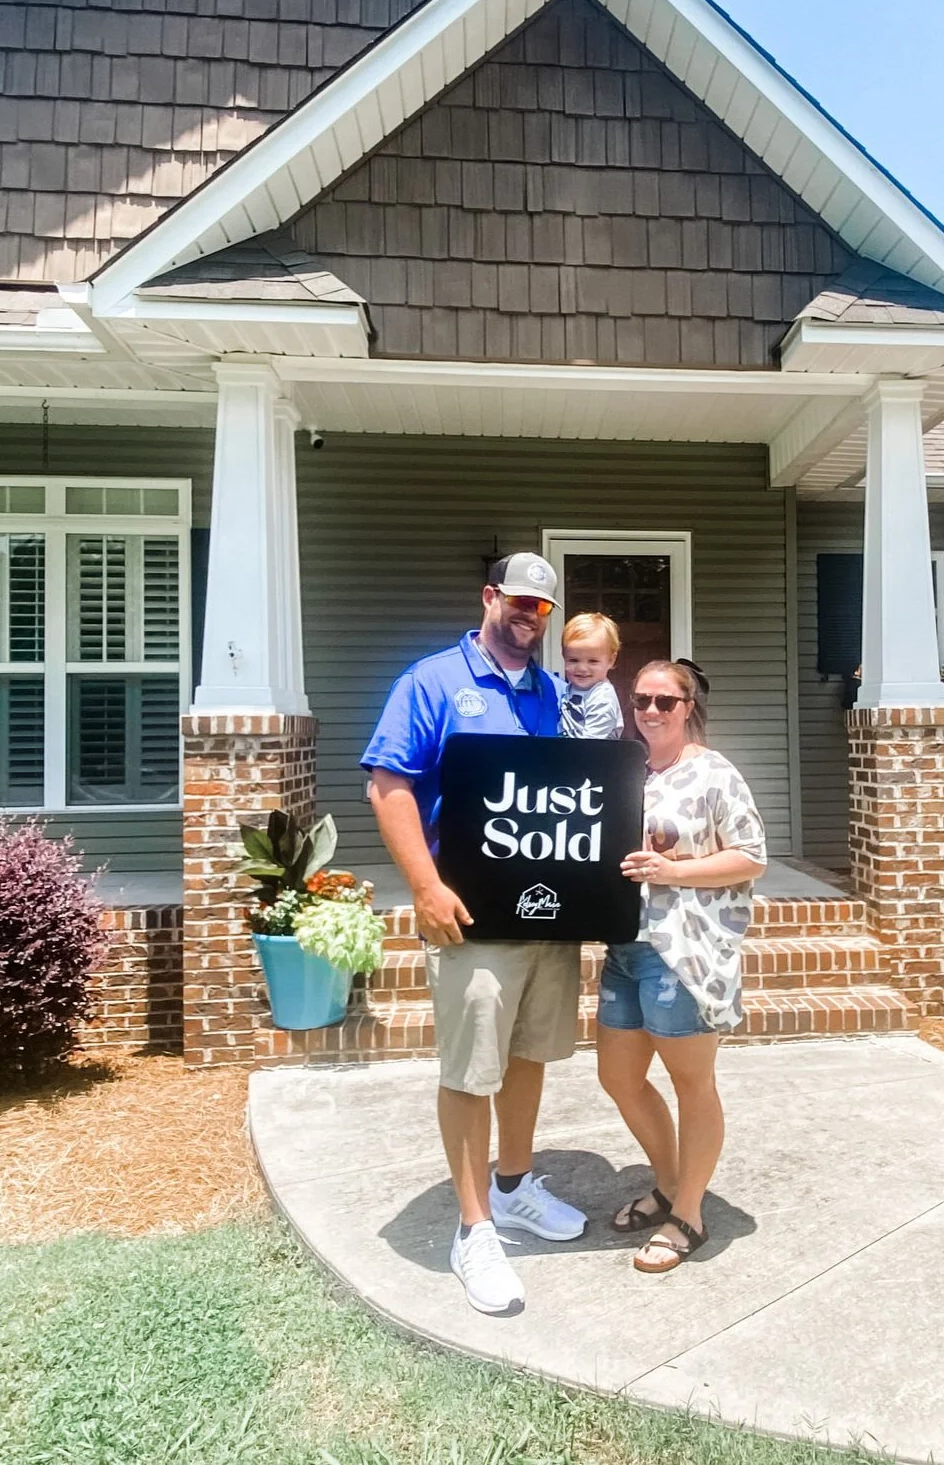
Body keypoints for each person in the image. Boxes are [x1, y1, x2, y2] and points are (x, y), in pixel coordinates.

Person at [361, 553, 590, 1316]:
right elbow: (387, 784)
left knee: (527, 1053)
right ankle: (473, 1228)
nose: (529, 616)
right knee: (470, 1068)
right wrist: (425, 886)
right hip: (468, 919)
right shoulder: (430, 682)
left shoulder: (551, 692)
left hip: (543, 913)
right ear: (490, 597)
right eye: (519, 601)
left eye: (542, 607)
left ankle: (514, 1185)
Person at [598, 658, 767, 1273]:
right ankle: (669, 1183)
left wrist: (674, 872)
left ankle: (688, 1213)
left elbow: (751, 856)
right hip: (625, 948)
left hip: (685, 954)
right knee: (618, 1078)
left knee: (693, 1084)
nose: (650, 710)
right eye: (641, 699)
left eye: (665, 701)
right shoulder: (625, 770)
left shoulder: (714, 773)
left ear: (688, 707)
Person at [558, 611, 625, 741]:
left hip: (596, 752)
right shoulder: (569, 688)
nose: (582, 668)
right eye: (573, 660)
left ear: (611, 660)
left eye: (593, 661)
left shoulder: (602, 697)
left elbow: (591, 743)